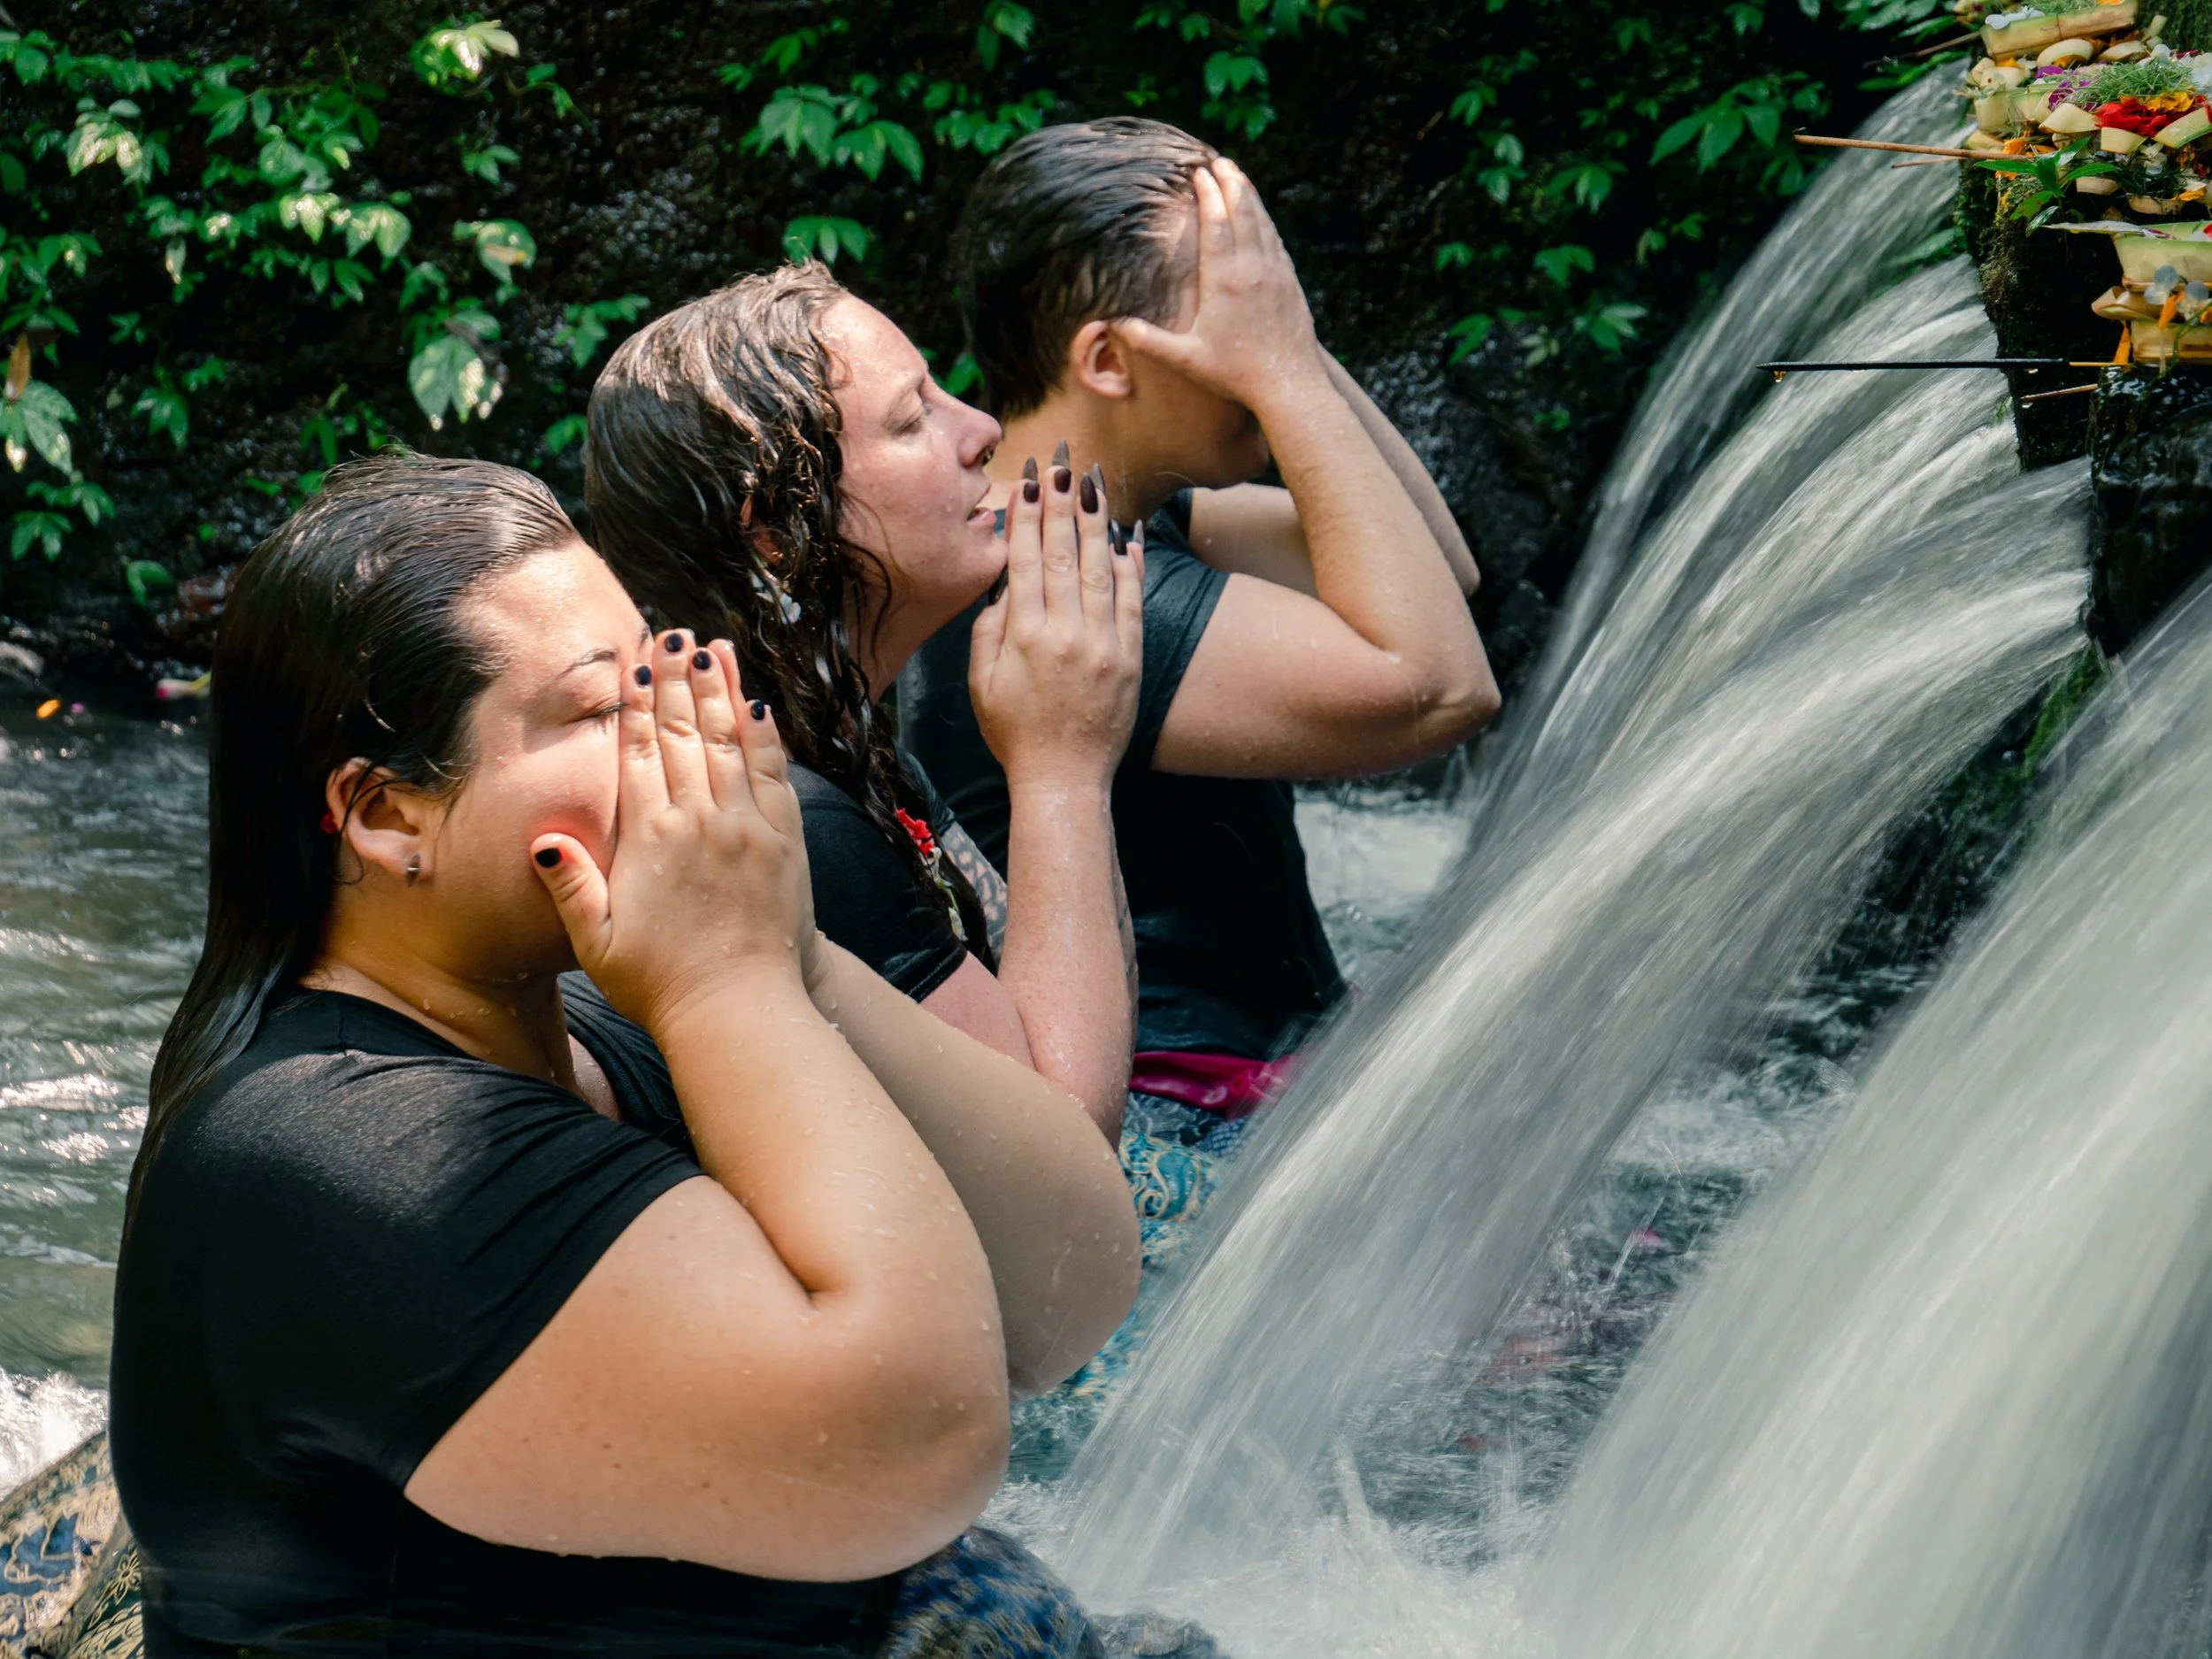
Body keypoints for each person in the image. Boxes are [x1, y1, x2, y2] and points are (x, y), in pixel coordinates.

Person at [109, 454, 1138, 1656]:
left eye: (664, 675)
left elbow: (1064, 1292)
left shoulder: (627, 1030)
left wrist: (791, 953)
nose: (676, 734)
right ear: (388, 814)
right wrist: (728, 980)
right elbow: (919, 1441)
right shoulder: (326, 1155)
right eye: (604, 709)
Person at [903, 119, 1498, 1150]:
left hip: (1255, 1088)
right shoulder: (1067, 591)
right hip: (1181, 1128)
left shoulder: (1080, 520)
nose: (1265, 331)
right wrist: (1286, 378)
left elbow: (1438, 575)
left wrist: (1288, 347)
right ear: (1107, 361)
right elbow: (1440, 685)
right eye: (1235, 307)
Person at [585, 266, 1144, 1145]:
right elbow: (1068, 1152)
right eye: (915, 417)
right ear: (773, 529)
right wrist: (1062, 763)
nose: (985, 430)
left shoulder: (838, 738)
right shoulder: (785, 820)